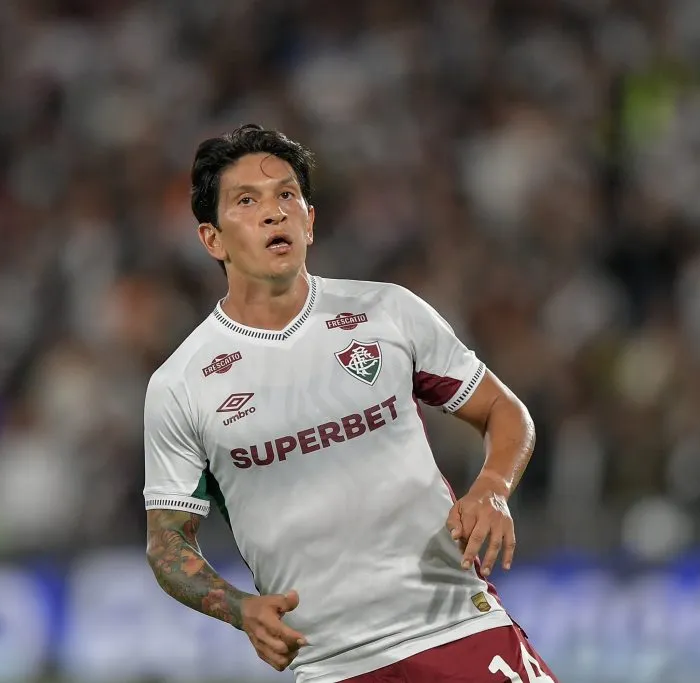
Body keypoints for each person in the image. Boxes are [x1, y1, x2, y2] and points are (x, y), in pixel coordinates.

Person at [142, 124, 558, 682]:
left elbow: (505, 412)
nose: (274, 212)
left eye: (287, 195)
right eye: (247, 201)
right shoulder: (182, 384)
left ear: (310, 221)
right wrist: (238, 607)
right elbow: (167, 541)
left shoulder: (387, 313)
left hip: (458, 627)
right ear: (212, 239)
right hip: (334, 665)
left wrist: (492, 489)